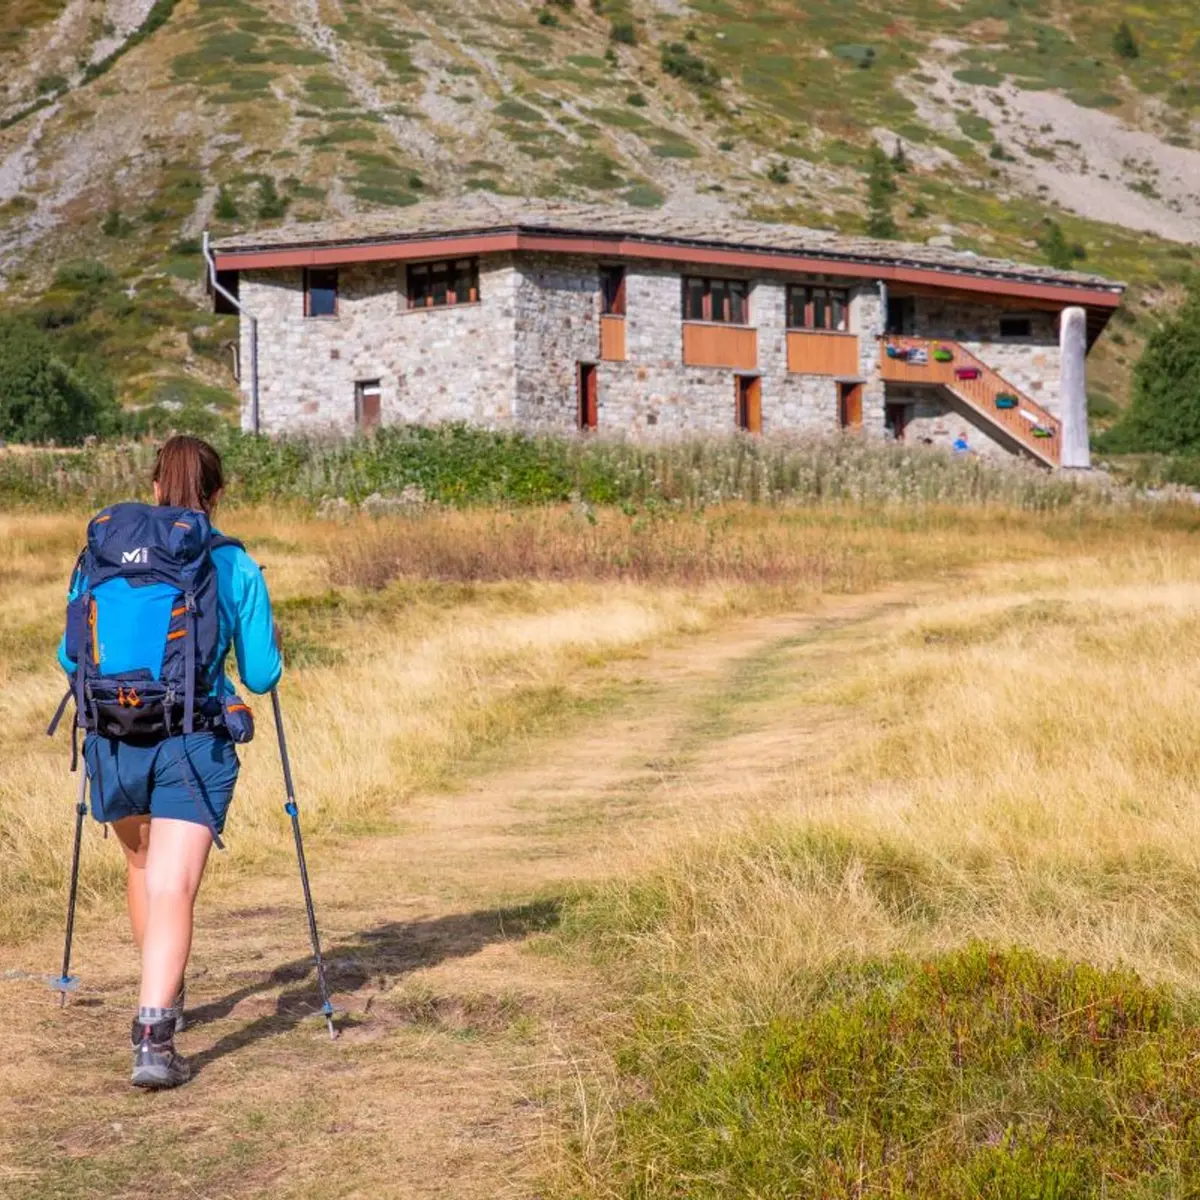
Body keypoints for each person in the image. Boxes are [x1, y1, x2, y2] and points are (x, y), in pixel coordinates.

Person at [58, 436, 282, 1089]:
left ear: (154, 486)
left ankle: (164, 995)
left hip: (112, 736)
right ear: (217, 494)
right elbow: (263, 674)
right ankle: (153, 1041)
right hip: (193, 740)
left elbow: (70, 659)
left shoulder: (99, 554)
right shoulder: (231, 561)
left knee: (141, 867)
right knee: (173, 886)